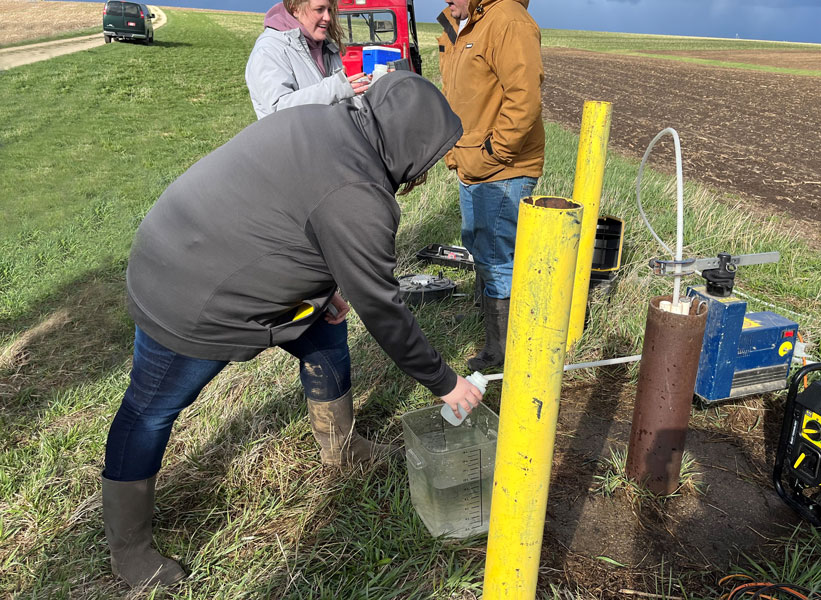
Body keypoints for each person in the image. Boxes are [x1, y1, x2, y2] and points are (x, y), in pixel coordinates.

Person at [101, 72, 483, 588]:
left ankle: (340, 446)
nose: (426, 174)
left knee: (325, 329)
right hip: (187, 289)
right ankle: (129, 549)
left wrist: (329, 288)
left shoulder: (326, 123)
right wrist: (446, 382)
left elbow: (297, 214)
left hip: (191, 242)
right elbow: (384, 308)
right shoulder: (358, 194)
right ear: (411, 148)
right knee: (150, 410)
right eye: (430, 159)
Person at [437, 0, 545, 371]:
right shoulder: (468, 24)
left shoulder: (508, 20)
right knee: (482, 249)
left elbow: (524, 97)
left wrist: (491, 153)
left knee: (499, 260)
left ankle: (503, 357)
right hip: (473, 164)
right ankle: (495, 339)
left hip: (502, 169)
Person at [245, 0, 369, 120]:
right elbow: (279, 111)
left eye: (329, 10)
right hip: (295, 141)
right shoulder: (269, 50)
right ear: (295, 9)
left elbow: (342, 103)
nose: (328, 18)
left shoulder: (326, 47)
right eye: (319, 9)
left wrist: (377, 92)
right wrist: (335, 89)